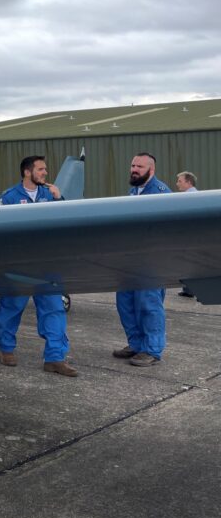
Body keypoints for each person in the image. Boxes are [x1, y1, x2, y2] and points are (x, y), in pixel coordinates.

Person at [0, 156, 77, 377]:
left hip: (47, 263)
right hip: (19, 264)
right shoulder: (9, 197)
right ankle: (6, 349)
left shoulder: (49, 195)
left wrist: (59, 199)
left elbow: (66, 221)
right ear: (27, 172)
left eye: (45, 169)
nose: (45, 173)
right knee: (11, 307)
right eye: (40, 169)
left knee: (54, 308)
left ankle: (55, 358)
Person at [114, 153, 170, 366]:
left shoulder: (161, 193)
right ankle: (136, 344)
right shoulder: (134, 191)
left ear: (151, 170)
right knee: (125, 303)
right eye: (132, 165)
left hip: (152, 260)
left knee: (149, 305)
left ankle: (152, 350)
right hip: (131, 259)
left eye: (139, 166)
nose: (134, 169)